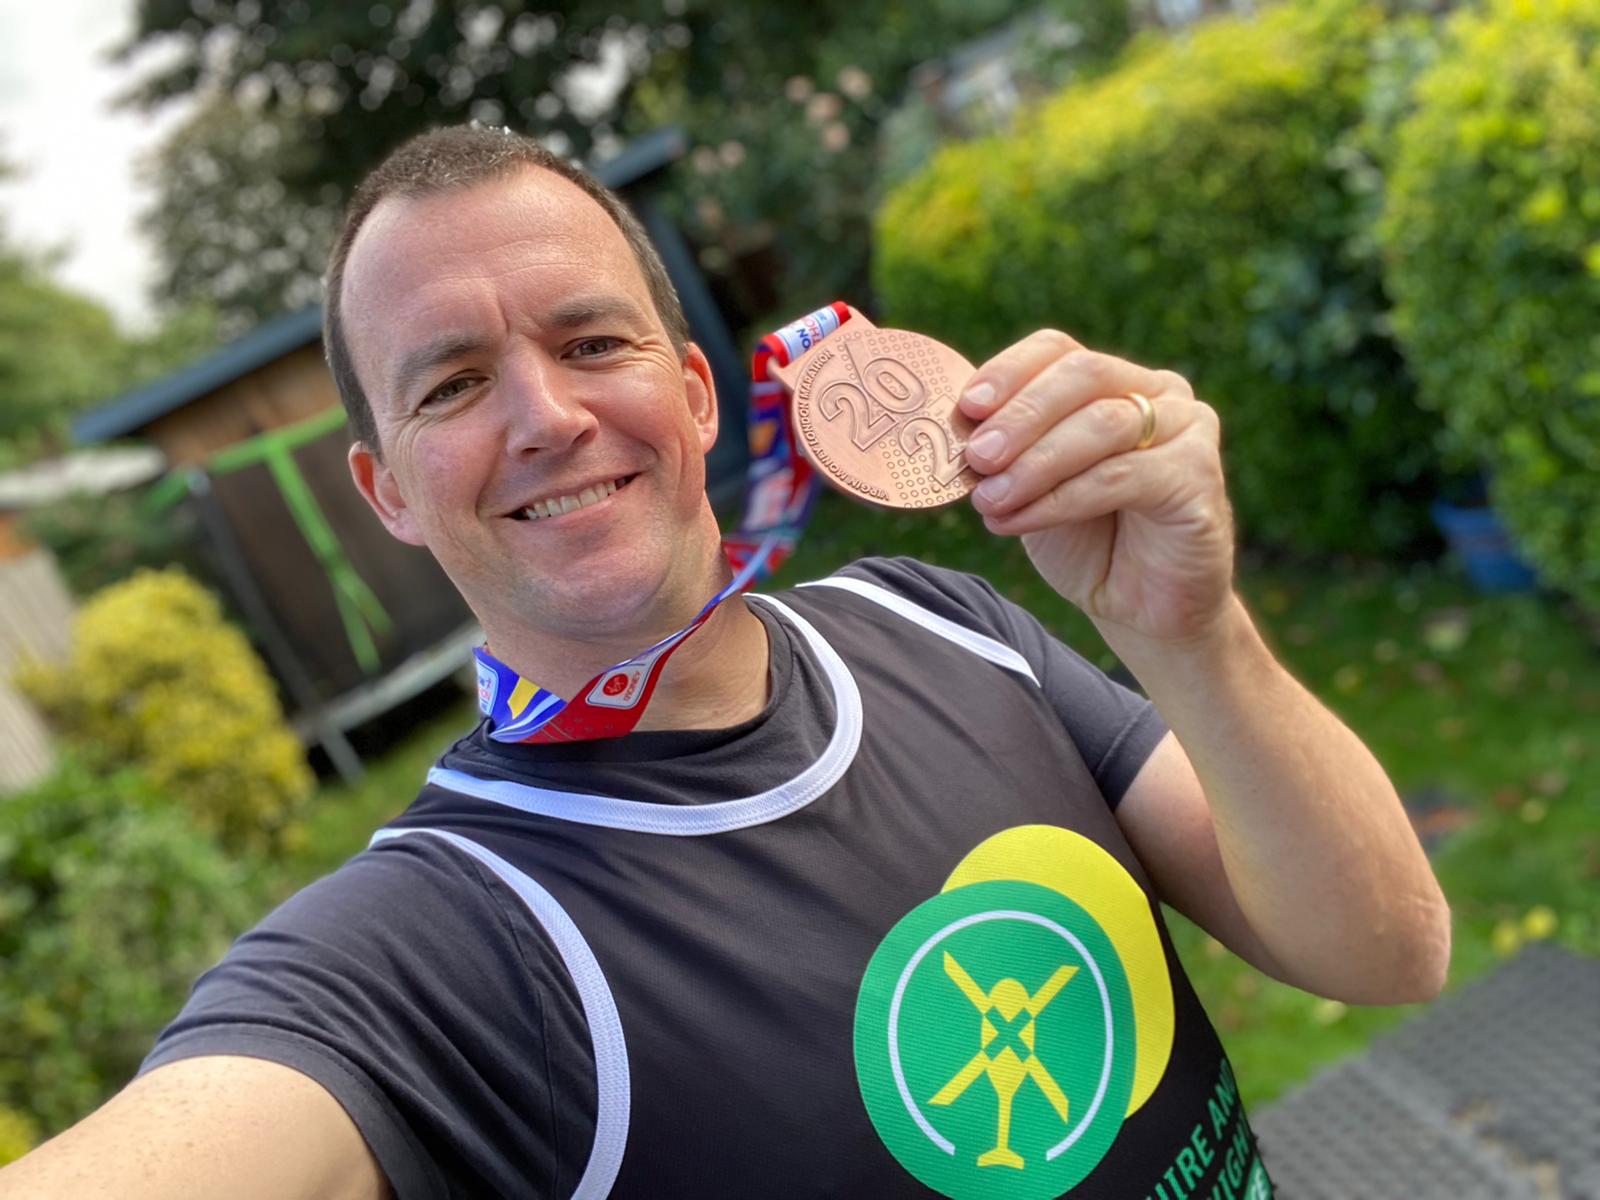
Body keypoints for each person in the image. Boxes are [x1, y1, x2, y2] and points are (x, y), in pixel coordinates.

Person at [0, 125, 1450, 1200]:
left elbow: (1387, 949)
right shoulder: (431, 951)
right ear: (387, 494)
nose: (548, 415)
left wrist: (1192, 635)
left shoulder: (938, 619)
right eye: (452, 382)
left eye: (591, 340)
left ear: (696, 397)